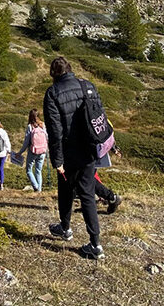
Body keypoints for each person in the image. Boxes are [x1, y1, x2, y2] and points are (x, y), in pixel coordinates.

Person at [44, 56, 105, 260]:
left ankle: (71, 231)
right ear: (70, 70)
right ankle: (92, 241)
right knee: (85, 192)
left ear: (53, 74)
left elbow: (55, 131)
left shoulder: (52, 93)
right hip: (89, 148)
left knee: (67, 188)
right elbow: (100, 116)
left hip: (69, 150)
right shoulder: (88, 85)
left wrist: (57, 160)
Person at [16, 109, 48, 192]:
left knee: (29, 170)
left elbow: (26, 142)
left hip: (33, 151)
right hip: (43, 151)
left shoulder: (30, 126)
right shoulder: (43, 125)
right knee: (38, 171)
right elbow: (47, 137)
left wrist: (20, 152)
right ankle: (39, 190)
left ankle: (36, 186)